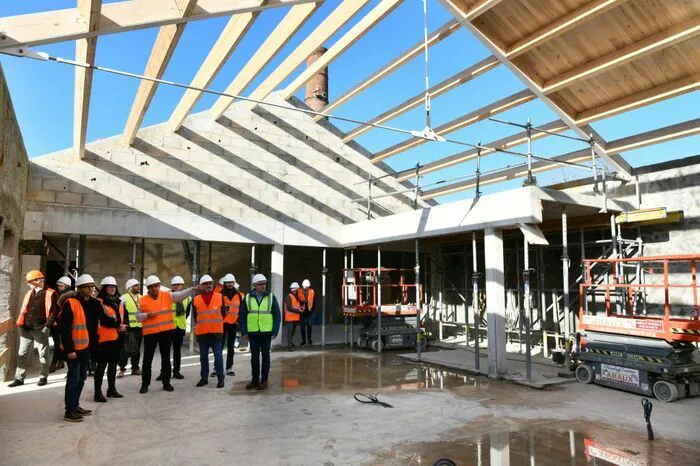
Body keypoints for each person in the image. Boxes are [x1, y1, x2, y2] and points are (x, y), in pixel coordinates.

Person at [137, 275, 199, 394]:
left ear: (159, 286)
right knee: (147, 360)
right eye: (152, 287)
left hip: (165, 332)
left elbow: (181, 295)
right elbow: (138, 317)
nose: (155, 288)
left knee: (166, 359)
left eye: (156, 286)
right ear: (148, 288)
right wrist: (146, 315)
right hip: (150, 334)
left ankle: (166, 383)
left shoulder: (167, 296)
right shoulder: (143, 300)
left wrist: (193, 289)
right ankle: (145, 384)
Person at [58, 274, 100, 422]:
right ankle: (69, 411)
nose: (90, 289)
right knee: (73, 379)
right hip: (74, 350)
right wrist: (69, 350)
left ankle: (75, 405)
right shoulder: (71, 303)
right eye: (87, 286)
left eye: (92, 286)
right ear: (80, 288)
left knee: (81, 378)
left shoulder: (90, 303)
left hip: (85, 348)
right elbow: (64, 329)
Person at [8, 270, 57, 388]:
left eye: (30, 281)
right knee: (22, 353)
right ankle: (19, 378)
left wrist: (47, 326)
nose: (28, 284)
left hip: (40, 328)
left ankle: (43, 377)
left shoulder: (51, 293)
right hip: (26, 327)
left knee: (43, 354)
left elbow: (55, 312)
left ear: (38, 281)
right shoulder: (30, 293)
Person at [239, 274, 281, 391]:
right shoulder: (247, 298)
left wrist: (275, 330)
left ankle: (264, 380)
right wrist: (244, 331)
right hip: (253, 333)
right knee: (254, 358)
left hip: (266, 332)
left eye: (264, 284)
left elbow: (277, 315)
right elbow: (242, 316)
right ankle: (255, 380)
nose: (263, 286)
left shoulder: (271, 297)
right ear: (254, 285)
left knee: (266, 357)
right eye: (260, 284)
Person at [94, 276, 126, 402]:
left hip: (116, 339)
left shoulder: (118, 301)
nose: (113, 289)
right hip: (103, 339)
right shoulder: (99, 302)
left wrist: (124, 326)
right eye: (110, 287)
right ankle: (97, 393)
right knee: (101, 367)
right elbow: (103, 319)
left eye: (114, 287)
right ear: (104, 288)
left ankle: (111, 390)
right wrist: (118, 325)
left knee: (113, 365)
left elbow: (123, 316)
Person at [193, 275, 225, 388]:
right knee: (203, 357)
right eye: (205, 284)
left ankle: (221, 378)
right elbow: (195, 316)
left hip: (216, 333)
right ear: (201, 286)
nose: (208, 285)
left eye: (210, 283)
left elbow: (223, 314)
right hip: (202, 334)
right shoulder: (196, 299)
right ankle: (204, 378)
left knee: (218, 356)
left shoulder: (219, 297)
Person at [157, 276, 191, 381]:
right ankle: (164, 372)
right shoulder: (166, 296)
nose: (177, 286)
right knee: (165, 352)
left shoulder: (188, 299)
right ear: (172, 286)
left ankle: (176, 372)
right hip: (167, 327)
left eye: (179, 285)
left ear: (182, 286)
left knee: (177, 351)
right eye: (175, 285)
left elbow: (187, 313)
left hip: (179, 327)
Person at [117, 279, 142, 378]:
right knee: (125, 348)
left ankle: (135, 368)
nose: (138, 287)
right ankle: (122, 369)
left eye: (138, 285)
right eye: (136, 286)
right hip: (128, 328)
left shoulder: (142, 298)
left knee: (137, 349)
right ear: (130, 287)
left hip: (139, 327)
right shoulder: (123, 298)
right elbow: (119, 313)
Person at [48, 276, 72, 373]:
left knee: (58, 345)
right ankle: (60, 362)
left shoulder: (67, 296)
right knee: (58, 344)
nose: (58, 287)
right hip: (57, 324)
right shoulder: (60, 294)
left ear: (66, 286)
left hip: (60, 324)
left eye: (61, 286)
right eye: (58, 285)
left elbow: (60, 311)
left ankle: (53, 363)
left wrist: (55, 320)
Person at [221, 273, 243, 376]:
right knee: (219, 347)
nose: (230, 284)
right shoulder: (220, 294)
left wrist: (239, 322)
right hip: (222, 324)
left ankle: (229, 367)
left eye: (231, 282)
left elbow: (241, 310)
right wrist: (222, 311)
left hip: (233, 324)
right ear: (224, 283)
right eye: (228, 282)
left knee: (231, 347)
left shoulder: (238, 295)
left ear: (234, 283)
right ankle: (216, 368)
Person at [283, 282, 302, 351]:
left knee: (292, 332)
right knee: (290, 332)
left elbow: (296, 306)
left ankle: (290, 343)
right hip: (290, 318)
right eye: (297, 289)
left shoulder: (295, 297)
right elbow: (289, 308)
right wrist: (298, 311)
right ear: (295, 289)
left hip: (294, 318)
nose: (298, 291)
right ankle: (289, 347)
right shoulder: (289, 296)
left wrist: (300, 309)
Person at [298, 278, 316, 346]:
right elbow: (297, 300)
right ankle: (303, 341)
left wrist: (312, 309)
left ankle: (309, 339)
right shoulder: (299, 291)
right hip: (302, 311)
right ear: (303, 285)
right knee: (302, 326)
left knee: (309, 326)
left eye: (308, 286)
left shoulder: (312, 291)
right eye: (306, 286)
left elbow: (314, 301)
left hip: (309, 311)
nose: (306, 287)